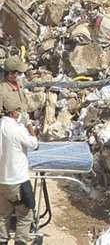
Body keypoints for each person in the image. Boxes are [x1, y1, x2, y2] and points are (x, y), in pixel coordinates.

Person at [0, 98, 38, 245]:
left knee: (3, 214)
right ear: (14, 112)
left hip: (1, 179)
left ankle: (2, 240)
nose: (21, 113)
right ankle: (20, 242)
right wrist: (28, 125)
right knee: (25, 215)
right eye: (19, 110)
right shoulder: (17, 129)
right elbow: (34, 144)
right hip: (16, 180)